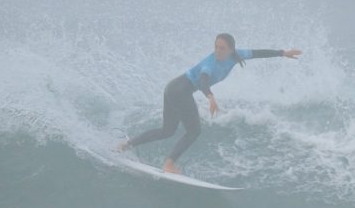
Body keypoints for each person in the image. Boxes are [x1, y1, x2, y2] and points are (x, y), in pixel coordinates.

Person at [117, 33, 302, 174]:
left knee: (167, 131)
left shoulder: (237, 55)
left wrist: (282, 53)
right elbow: (204, 78)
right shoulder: (210, 63)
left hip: (173, 89)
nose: (218, 51)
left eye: (222, 48)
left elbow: (257, 53)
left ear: (231, 49)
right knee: (194, 131)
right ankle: (169, 163)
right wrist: (210, 96)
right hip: (179, 90)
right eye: (216, 47)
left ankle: (126, 145)